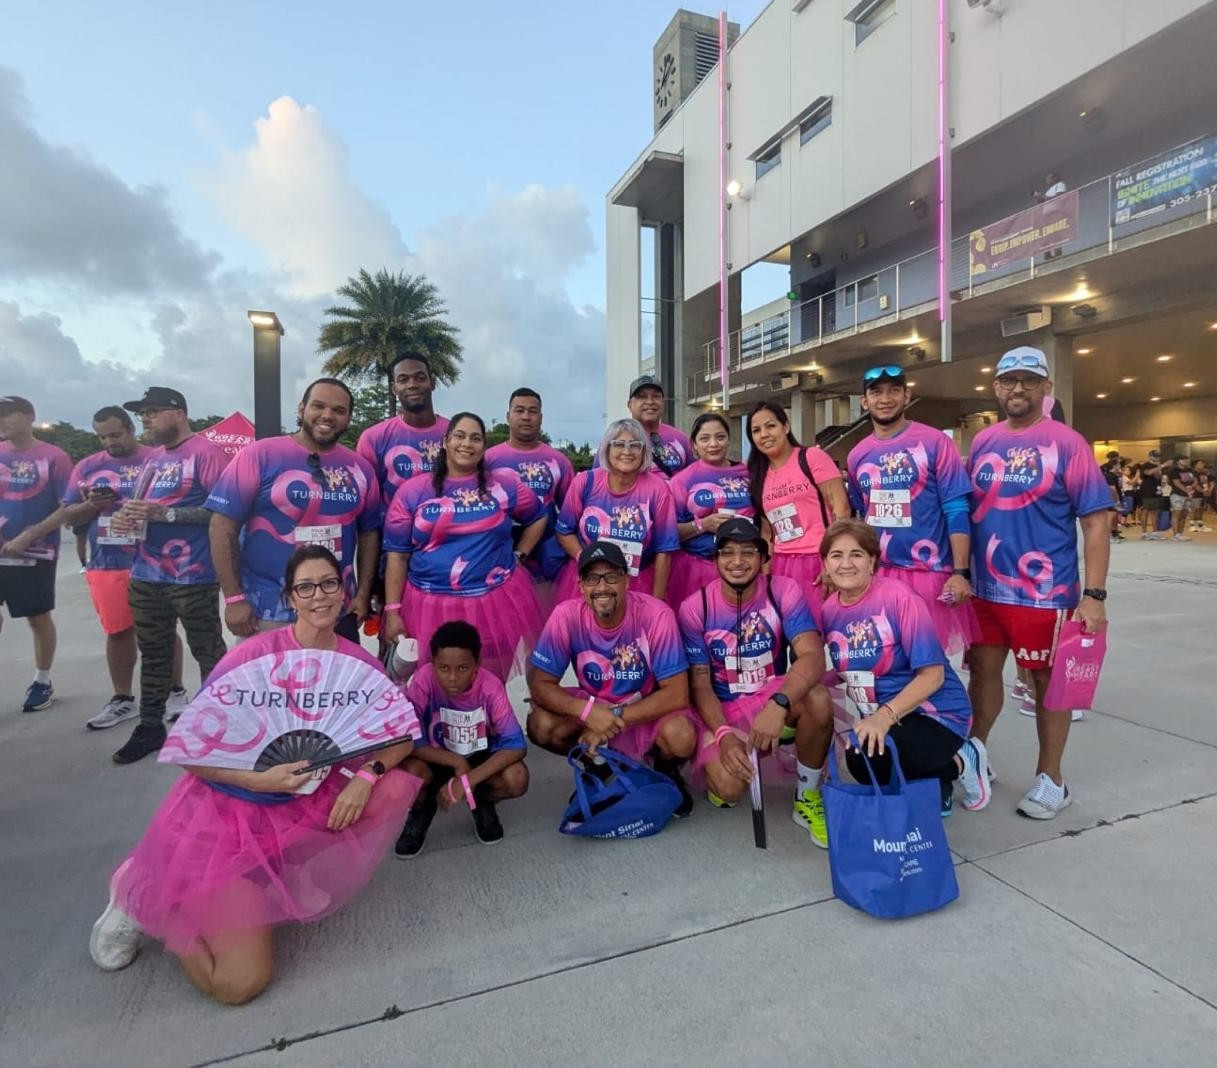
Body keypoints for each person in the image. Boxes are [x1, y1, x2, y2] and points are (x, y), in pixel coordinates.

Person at [87, 545, 422, 1005]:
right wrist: (255, 781)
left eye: (329, 584)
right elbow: (188, 748)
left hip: (309, 800)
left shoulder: (354, 663)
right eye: (306, 587)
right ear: (290, 598)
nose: (319, 596)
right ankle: (144, 894)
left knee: (394, 786)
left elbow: (401, 733)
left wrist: (367, 776)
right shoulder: (254, 657)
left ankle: (285, 867)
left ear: (344, 593)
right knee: (238, 985)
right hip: (233, 816)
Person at [967, 347, 1112, 819]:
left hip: (1045, 592)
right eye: (1009, 380)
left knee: (1049, 687)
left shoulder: (1068, 444)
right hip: (985, 589)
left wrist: (1093, 596)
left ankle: (1052, 780)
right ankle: (976, 759)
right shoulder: (984, 442)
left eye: (1029, 380)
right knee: (983, 675)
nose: (1018, 389)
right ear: (996, 388)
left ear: (1046, 387)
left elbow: (1095, 523)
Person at [1, 406, 189, 728]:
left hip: (155, 559)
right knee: (117, 632)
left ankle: (175, 693)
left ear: (130, 430)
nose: (109, 442)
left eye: (115, 435)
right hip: (108, 560)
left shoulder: (159, 459)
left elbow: (180, 503)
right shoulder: (89, 466)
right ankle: (123, 699)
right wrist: (90, 506)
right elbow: (69, 512)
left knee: (161, 630)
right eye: (102, 437)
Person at [678, 518, 835, 844]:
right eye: (728, 553)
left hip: (771, 697)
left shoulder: (783, 590)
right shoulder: (696, 608)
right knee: (729, 788)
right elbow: (700, 684)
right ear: (715, 559)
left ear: (764, 558)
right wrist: (722, 733)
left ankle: (807, 797)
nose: (738, 561)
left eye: (748, 552)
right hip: (724, 708)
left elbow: (812, 656)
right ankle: (730, 760)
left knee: (817, 698)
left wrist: (779, 704)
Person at [820, 519, 988, 817]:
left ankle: (963, 757)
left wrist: (883, 718)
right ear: (825, 564)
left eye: (856, 554)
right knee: (862, 761)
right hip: (885, 716)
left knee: (883, 748)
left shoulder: (900, 598)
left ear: (872, 560)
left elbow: (933, 675)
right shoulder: (829, 610)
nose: (846, 564)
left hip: (934, 713)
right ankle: (936, 778)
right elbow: (847, 664)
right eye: (836, 555)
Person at [527, 541, 698, 816]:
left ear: (627, 581)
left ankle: (665, 771)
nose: (602, 587)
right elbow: (540, 685)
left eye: (611, 577)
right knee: (541, 724)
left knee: (682, 736)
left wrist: (613, 716)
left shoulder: (656, 615)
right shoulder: (566, 615)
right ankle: (599, 769)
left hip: (642, 709)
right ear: (581, 585)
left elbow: (677, 693)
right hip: (593, 706)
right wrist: (587, 712)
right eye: (592, 578)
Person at [107, 387, 231, 765]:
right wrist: (122, 516)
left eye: (152, 412)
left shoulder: (206, 453)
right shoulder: (155, 459)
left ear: (178, 413)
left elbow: (223, 511)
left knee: (208, 653)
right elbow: (141, 506)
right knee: (154, 653)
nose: (144, 419)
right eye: (142, 413)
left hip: (193, 575)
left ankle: (221, 728)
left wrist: (168, 515)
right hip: (146, 572)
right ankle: (149, 726)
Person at [207, 379, 380, 643]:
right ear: (301, 409)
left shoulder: (360, 469)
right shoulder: (259, 455)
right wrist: (233, 598)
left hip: (336, 611)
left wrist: (363, 593)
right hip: (268, 612)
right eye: (318, 406)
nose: (327, 416)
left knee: (334, 684)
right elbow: (222, 526)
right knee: (270, 685)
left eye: (338, 410)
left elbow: (369, 534)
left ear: (348, 418)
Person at [382, 412, 547, 682]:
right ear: (446, 441)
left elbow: (538, 517)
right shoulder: (413, 491)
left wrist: (520, 554)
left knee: (489, 685)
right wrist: (392, 611)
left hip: (494, 603)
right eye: (459, 436)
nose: (466, 444)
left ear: (484, 446)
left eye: (475, 438)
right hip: (428, 606)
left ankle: (490, 726)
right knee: (436, 688)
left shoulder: (503, 486)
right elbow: (397, 556)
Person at [847, 365, 977, 654]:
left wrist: (961, 572)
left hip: (928, 573)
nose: (885, 399)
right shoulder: (857, 455)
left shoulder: (935, 442)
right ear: (864, 401)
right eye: (876, 392)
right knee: (885, 663)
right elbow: (860, 516)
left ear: (907, 396)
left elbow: (956, 508)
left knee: (928, 667)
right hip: (878, 575)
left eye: (894, 390)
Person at [395, 620, 529, 857]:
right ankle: (422, 810)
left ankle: (481, 800)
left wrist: (468, 780)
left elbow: (516, 745)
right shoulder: (424, 680)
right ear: (432, 664)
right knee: (409, 774)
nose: (453, 678)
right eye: (443, 668)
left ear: (477, 664)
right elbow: (407, 739)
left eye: (463, 668)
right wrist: (456, 762)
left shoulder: (490, 686)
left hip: (477, 757)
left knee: (516, 778)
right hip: (435, 757)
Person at [554, 419, 679, 603]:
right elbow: (564, 531)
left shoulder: (658, 489)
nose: (627, 452)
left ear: (644, 452)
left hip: (639, 580)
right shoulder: (585, 482)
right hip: (590, 578)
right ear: (606, 449)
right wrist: (587, 558)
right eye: (619, 444)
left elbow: (664, 550)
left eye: (635, 445)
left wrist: (657, 602)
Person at [0, 395, 72, 712]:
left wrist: (31, 533)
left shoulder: (53, 457)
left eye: (8, 415)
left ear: (29, 416)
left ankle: (42, 680)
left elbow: (69, 505)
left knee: (37, 617)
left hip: (35, 553)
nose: (2, 422)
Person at [746, 400, 848, 608]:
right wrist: (766, 577)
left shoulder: (812, 457)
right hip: (782, 566)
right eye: (756, 430)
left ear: (786, 426)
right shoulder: (758, 475)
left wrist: (834, 562)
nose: (764, 434)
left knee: (821, 632)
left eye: (770, 426)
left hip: (818, 560)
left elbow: (842, 510)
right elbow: (767, 534)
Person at [485, 387, 574, 585]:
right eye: (519, 410)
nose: (526, 417)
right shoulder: (488, 460)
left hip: (546, 562)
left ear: (541, 418)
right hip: (498, 558)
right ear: (508, 416)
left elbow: (571, 514)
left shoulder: (559, 462)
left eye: (532, 411)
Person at [666, 412, 755, 607]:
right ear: (694, 444)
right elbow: (668, 534)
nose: (713, 444)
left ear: (729, 440)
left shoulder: (747, 473)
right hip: (696, 570)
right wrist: (703, 525)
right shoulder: (681, 481)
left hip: (744, 567)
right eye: (705, 438)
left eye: (720, 437)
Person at [355, 354, 449, 512]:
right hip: (394, 534)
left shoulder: (456, 434)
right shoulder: (373, 438)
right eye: (403, 379)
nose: (412, 385)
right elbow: (366, 499)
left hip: (448, 532)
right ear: (394, 389)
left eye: (420, 378)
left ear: (432, 383)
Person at [622, 375, 692, 477]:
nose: (650, 402)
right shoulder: (616, 439)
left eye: (656, 396)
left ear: (663, 403)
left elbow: (694, 478)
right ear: (629, 405)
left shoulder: (680, 438)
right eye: (642, 396)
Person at [1166, 454, 1198, 543]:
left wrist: (1192, 487)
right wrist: (1186, 491)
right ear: (1178, 461)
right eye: (1183, 459)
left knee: (1184, 514)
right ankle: (1175, 534)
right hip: (1177, 494)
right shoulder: (1174, 470)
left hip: (1188, 494)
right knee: (1176, 513)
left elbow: (1195, 480)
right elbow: (1177, 483)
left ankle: (1180, 533)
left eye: (1186, 459)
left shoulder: (1190, 470)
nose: (1185, 461)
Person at [1138, 450, 1166, 540]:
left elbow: (1157, 477)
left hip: (1157, 490)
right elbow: (1148, 473)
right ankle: (1144, 532)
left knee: (1155, 511)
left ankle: (1155, 531)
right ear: (1150, 456)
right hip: (1147, 490)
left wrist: (1162, 478)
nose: (1157, 458)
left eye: (1158, 456)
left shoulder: (1158, 466)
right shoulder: (1145, 465)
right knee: (1145, 510)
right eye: (1155, 456)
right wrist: (1161, 466)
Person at [1100, 451, 1125, 543]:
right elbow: (1112, 489)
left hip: (1114, 495)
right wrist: (1116, 500)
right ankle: (1107, 535)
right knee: (1110, 515)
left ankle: (1114, 533)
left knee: (1114, 515)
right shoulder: (1107, 472)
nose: (1120, 466)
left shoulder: (1113, 474)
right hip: (1110, 496)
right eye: (1118, 465)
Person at [1192, 459, 1212, 532]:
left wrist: (1207, 491)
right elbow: (1195, 484)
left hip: (1203, 494)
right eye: (1199, 463)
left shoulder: (1204, 474)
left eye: (1202, 463)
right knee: (1195, 510)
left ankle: (1200, 525)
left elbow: (1206, 483)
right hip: (1195, 494)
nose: (1202, 465)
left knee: (1201, 510)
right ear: (1195, 465)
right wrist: (1202, 491)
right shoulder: (1193, 473)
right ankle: (1193, 525)